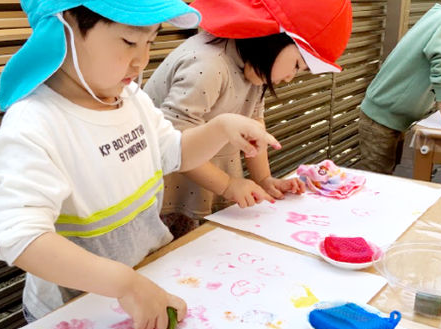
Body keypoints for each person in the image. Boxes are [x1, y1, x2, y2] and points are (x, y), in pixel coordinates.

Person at [0, 0, 280, 329]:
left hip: (147, 279)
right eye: (129, 41)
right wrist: (124, 283)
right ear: (64, 30)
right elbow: (19, 238)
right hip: (77, 312)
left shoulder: (131, 99)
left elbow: (174, 151)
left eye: (150, 41)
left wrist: (221, 127)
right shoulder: (33, 125)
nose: (141, 60)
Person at [144, 0, 353, 237]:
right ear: (272, 39)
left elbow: (255, 127)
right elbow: (177, 146)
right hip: (171, 190)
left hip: (210, 182)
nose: (289, 78)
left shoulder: (254, 68)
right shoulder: (207, 64)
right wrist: (228, 185)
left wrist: (264, 179)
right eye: (296, 64)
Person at [356, 0, 441, 174]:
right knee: (376, 179)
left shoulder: (440, 17)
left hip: (388, 115)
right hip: (381, 118)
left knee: (386, 175)